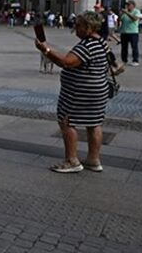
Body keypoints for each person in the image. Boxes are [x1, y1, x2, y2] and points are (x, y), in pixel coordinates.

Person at [34, 11, 110, 174]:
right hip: (98, 89)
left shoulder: (87, 45)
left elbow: (66, 62)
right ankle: (93, 159)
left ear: (89, 28)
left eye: (78, 25)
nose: (75, 28)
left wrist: (45, 50)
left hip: (80, 92)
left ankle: (71, 160)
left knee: (67, 121)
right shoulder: (101, 41)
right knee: (94, 123)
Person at [118, 1, 141, 66]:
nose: (127, 6)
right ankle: (124, 60)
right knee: (124, 47)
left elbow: (134, 19)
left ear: (133, 5)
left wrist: (127, 12)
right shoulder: (124, 13)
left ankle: (135, 60)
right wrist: (121, 14)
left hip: (133, 32)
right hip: (124, 32)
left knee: (134, 47)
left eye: (129, 5)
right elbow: (120, 20)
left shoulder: (136, 11)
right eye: (127, 5)